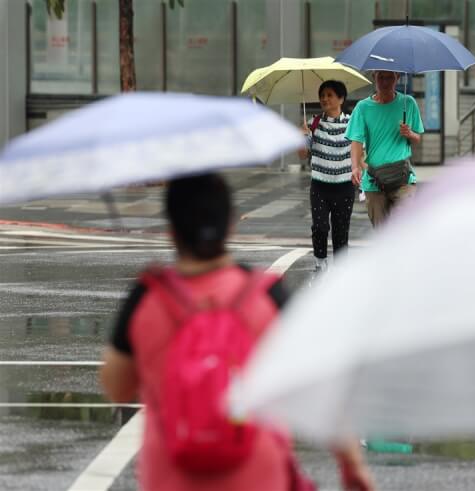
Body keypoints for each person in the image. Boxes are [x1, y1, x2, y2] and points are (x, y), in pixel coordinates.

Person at [100, 173, 373, 491]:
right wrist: (351, 463)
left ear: (172, 232)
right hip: (258, 474)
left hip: (172, 476)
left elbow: (116, 387)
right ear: (231, 224)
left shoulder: (146, 299)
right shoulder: (266, 296)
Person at [345, 70, 424, 227]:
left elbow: (418, 139)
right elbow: (356, 141)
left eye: (390, 77)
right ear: (374, 77)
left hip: (403, 179)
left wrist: (409, 133)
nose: (385, 82)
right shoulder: (363, 107)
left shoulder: (408, 103)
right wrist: (354, 167)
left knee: (402, 231)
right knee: (382, 235)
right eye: (381, 77)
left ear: (398, 78)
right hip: (374, 181)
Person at [298, 80, 355, 274]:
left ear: (341, 98)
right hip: (320, 186)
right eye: (322, 95)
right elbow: (303, 155)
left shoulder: (352, 123)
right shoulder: (314, 122)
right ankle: (320, 263)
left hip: (345, 186)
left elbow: (359, 150)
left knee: (341, 231)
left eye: (330, 95)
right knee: (320, 227)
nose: (325, 99)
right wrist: (302, 136)